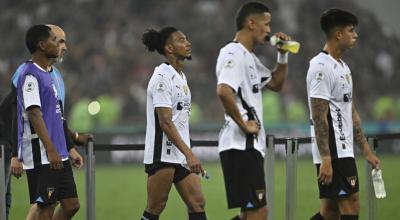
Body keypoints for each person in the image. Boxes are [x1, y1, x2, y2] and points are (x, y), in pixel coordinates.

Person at [216, 2, 290, 220]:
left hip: (247, 146)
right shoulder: (233, 53)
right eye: (266, 24)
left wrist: (283, 55)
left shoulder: (249, 58)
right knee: (258, 213)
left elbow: (276, 84)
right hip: (241, 144)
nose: (269, 30)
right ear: (251, 23)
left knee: (251, 213)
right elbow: (223, 91)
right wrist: (244, 124)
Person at [307, 9, 380, 220]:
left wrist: (365, 150)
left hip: (344, 148)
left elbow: (351, 111)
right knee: (351, 205)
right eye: (351, 30)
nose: (355, 34)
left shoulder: (343, 67)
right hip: (334, 150)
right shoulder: (321, 67)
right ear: (339, 34)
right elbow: (319, 116)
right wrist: (326, 158)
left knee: (329, 212)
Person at [15, 24, 82, 220]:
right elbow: (35, 114)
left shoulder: (48, 74)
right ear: (42, 45)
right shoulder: (30, 74)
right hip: (43, 154)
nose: (63, 47)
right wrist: (51, 149)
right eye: (56, 40)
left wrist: (69, 148)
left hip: (58, 152)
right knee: (46, 207)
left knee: (71, 205)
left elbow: (57, 115)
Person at [141, 27, 207, 220]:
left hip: (180, 153)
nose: (188, 43)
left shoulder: (180, 77)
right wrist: (190, 153)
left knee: (197, 203)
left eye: (186, 39)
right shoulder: (161, 77)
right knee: (156, 206)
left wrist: (186, 152)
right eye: (181, 40)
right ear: (169, 48)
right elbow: (166, 122)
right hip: (163, 152)